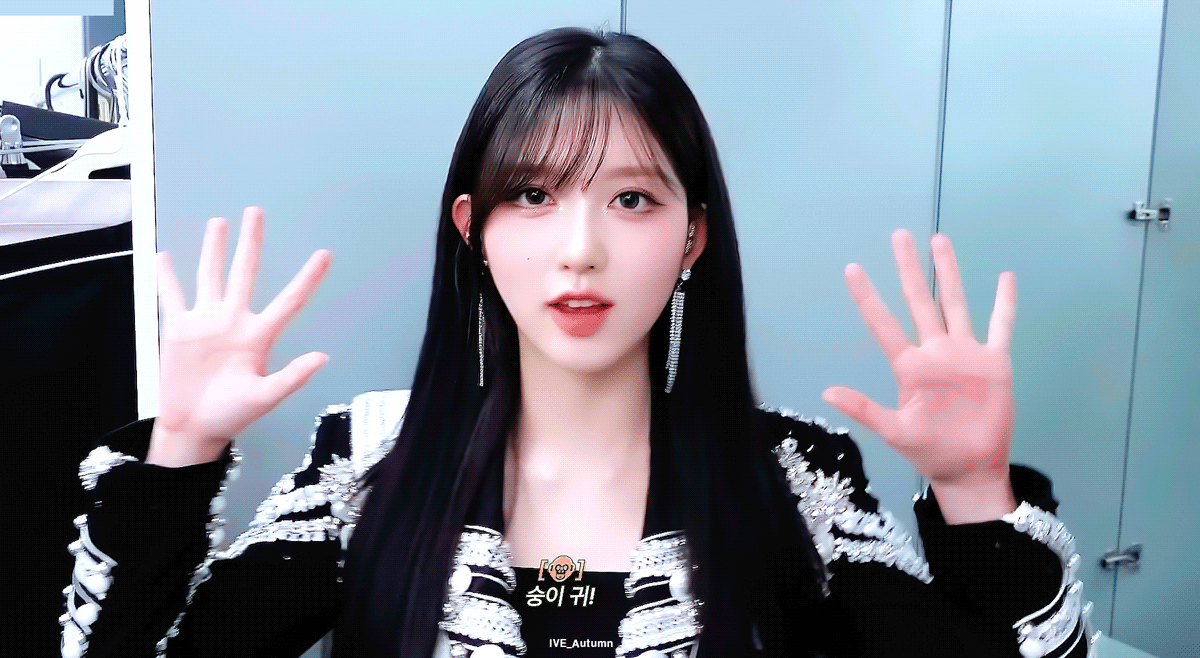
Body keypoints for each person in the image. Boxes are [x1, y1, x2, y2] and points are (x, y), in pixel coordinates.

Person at [61, 28, 1095, 658]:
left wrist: (974, 492)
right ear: (473, 229)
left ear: (692, 237)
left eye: (632, 199)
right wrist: (180, 456)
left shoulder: (794, 477)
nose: (581, 250)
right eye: (533, 196)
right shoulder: (369, 466)